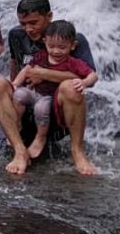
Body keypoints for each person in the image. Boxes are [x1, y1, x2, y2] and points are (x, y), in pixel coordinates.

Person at [0, 0, 100, 176]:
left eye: (33, 22)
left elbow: (84, 78)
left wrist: (43, 74)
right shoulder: (17, 35)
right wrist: (13, 87)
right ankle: (19, 150)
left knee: (71, 86)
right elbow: (15, 63)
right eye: (23, 23)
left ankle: (77, 152)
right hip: (27, 102)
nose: (28, 29)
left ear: (49, 16)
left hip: (57, 108)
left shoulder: (70, 38)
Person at [10, 20, 98, 160]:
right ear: (45, 42)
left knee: (41, 108)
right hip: (34, 92)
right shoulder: (41, 55)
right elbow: (27, 69)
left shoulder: (72, 63)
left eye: (62, 47)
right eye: (51, 46)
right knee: (18, 95)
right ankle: (16, 125)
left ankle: (40, 137)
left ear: (73, 45)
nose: (56, 51)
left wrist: (84, 82)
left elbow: (93, 75)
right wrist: (14, 84)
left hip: (49, 97)